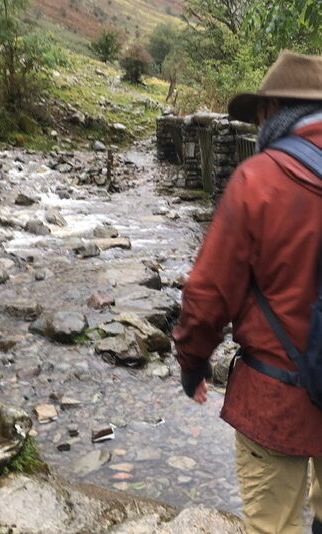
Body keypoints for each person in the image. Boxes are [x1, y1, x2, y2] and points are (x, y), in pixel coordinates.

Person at [172, 50, 322, 534]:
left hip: (279, 398)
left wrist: (193, 364)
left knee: (274, 526)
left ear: (271, 110)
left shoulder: (258, 180)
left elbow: (209, 293)